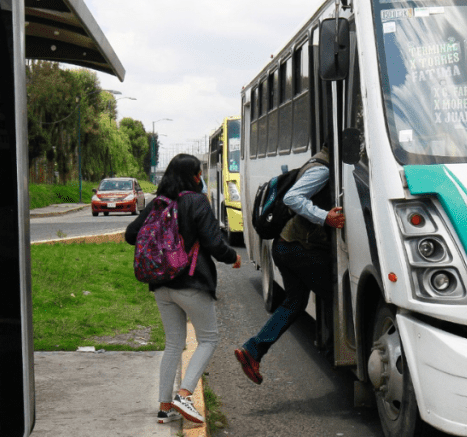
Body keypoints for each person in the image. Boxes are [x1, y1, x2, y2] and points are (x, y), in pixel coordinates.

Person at [125, 153, 241, 425]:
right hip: (191, 282)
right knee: (209, 339)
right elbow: (214, 243)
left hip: (161, 285)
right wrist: (233, 257)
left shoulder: (158, 203)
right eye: (198, 173)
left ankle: (165, 408)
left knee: (174, 344)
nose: (201, 177)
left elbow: (131, 235)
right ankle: (185, 394)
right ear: (193, 176)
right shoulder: (196, 201)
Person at [235, 144, 345, 385]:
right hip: (298, 248)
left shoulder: (318, 161)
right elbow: (292, 198)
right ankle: (335, 352)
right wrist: (325, 217)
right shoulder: (324, 169)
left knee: (295, 302)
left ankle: (253, 350)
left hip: (286, 246)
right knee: (337, 296)